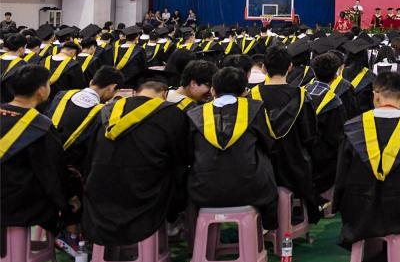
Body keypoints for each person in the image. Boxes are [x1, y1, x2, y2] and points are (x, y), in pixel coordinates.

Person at [332, 72, 400, 262]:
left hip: (359, 215)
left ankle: (370, 260)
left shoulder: (353, 128)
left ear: (375, 96)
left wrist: (339, 206)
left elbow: (341, 178)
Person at [81, 74, 190, 247]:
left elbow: (90, 155)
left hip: (100, 198)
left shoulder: (107, 110)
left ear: (135, 92)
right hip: (145, 199)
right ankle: (175, 228)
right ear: (164, 94)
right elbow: (181, 159)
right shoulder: (172, 113)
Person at [187, 67, 279, 228]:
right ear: (244, 91)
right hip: (251, 190)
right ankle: (267, 226)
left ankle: (195, 232)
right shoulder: (255, 109)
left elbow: (187, 153)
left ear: (213, 90)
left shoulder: (195, 114)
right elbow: (269, 145)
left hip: (204, 191)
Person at [0, 64, 73, 252]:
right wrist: (67, 206)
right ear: (41, 91)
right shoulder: (40, 126)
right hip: (15, 205)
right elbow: (52, 174)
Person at [249, 45, 321, 224]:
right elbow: (309, 136)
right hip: (295, 168)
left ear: (264, 68)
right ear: (290, 67)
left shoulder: (252, 96)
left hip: (261, 168)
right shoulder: (301, 95)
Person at [47, 66, 124, 176]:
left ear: (91, 81)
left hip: (43, 159)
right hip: (69, 172)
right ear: (112, 87)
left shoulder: (62, 95)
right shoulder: (104, 113)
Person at [306, 52, 353, 199]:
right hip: (324, 164)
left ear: (314, 72)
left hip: (301, 158)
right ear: (336, 74)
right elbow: (337, 138)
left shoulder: (301, 92)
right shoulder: (334, 102)